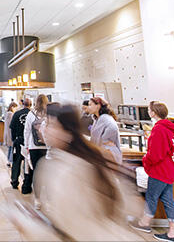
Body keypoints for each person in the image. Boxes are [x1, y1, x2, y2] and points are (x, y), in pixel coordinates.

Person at [10, 103, 138, 241]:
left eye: (51, 125)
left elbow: (72, 227)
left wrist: (27, 225)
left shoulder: (67, 170)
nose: (44, 130)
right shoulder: (89, 157)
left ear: (67, 132)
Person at [129, 101, 174, 242]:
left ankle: (144, 223)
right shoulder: (170, 128)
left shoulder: (159, 129)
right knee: (168, 200)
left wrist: (146, 160)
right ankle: (173, 231)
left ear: (153, 112)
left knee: (151, 196)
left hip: (160, 171)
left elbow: (155, 155)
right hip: (170, 170)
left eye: (149, 110)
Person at [22, 94, 48, 196]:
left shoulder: (31, 114)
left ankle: (38, 197)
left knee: (35, 172)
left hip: (34, 146)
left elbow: (27, 131)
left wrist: (26, 145)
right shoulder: (49, 114)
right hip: (47, 147)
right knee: (47, 171)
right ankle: (48, 195)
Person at [88, 97, 122, 164]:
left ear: (98, 105)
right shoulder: (97, 119)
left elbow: (113, 128)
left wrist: (104, 140)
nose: (88, 107)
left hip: (108, 153)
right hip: (103, 153)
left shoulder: (104, 118)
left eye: (90, 105)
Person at [10, 98, 31, 189]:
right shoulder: (32, 114)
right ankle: (26, 182)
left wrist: (13, 139)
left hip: (18, 140)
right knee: (28, 163)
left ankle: (14, 181)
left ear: (23, 104)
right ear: (30, 104)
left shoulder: (17, 114)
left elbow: (12, 128)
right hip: (30, 142)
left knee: (16, 161)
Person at [4, 102, 18, 167]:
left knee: (10, 148)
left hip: (8, 133)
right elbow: (12, 125)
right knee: (12, 148)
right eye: (15, 108)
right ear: (12, 107)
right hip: (11, 134)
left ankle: (9, 161)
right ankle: (10, 161)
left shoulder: (7, 113)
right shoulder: (11, 114)